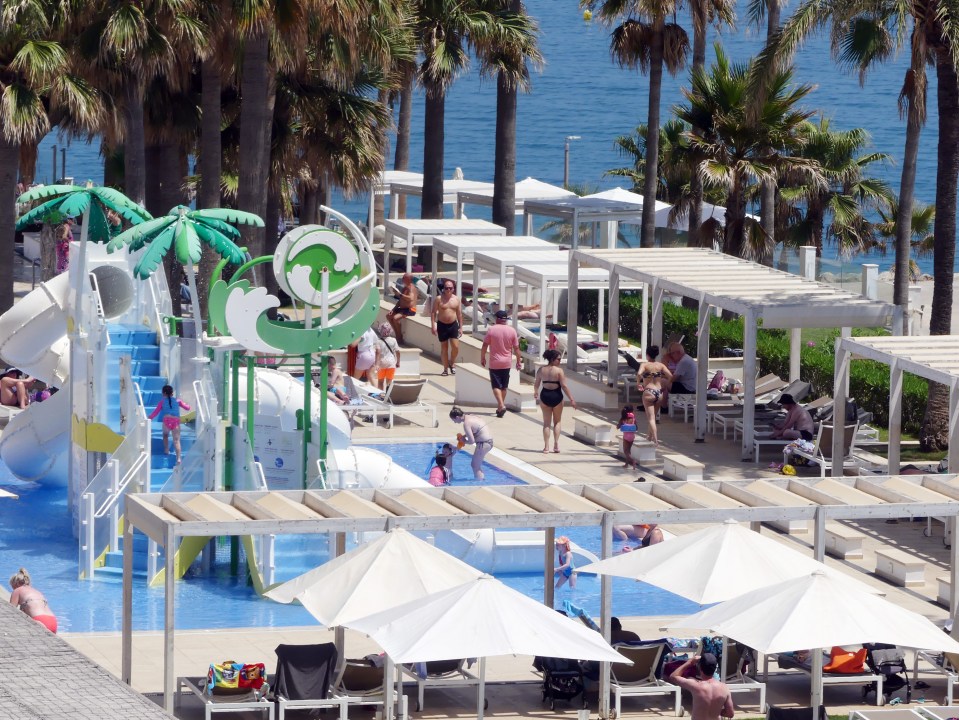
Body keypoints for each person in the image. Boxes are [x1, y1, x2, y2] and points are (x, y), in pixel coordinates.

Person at [480, 309, 522, 418]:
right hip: (506, 363)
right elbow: (517, 348)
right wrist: (518, 361)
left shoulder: (491, 330)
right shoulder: (512, 331)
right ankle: (500, 407)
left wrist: (483, 357)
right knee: (504, 386)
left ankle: (501, 405)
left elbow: (484, 345)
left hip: (495, 362)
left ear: (497, 319)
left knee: (495, 386)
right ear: (506, 320)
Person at [533, 349, 576, 453]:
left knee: (546, 423)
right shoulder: (559, 371)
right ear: (552, 359)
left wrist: (536, 392)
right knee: (557, 422)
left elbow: (536, 384)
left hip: (545, 396)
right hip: (557, 396)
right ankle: (556, 445)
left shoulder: (541, 370)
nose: (560, 361)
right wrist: (571, 399)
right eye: (558, 359)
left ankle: (546, 447)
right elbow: (564, 386)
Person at [669, 653, 734, 720]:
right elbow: (730, 713)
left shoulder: (696, 685)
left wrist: (689, 662)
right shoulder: (724, 688)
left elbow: (673, 676)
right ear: (715, 669)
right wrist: (715, 712)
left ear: (700, 668)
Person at [637, 346, 673, 446]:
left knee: (651, 418)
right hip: (659, 392)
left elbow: (639, 374)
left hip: (649, 391)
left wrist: (638, 383)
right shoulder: (660, 365)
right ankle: (649, 437)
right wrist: (665, 386)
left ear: (647, 354)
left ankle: (656, 440)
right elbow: (670, 376)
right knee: (653, 416)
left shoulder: (644, 365)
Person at [148, 385, 191, 464]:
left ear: (163, 393)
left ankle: (166, 449)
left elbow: (156, 412)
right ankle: (178, 458)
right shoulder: (178, 401)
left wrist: (149, 417)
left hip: (167, 421)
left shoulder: (162, 402)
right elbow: (187, 408)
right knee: (176, 440)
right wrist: (187, 404)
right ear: (172, 393)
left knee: (165, 436)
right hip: (176, 421)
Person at [449, 406, 493, 481]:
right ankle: (480, 480)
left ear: (457, 417)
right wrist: (464, 436)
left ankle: (480, 483)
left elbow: (471, 441)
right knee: (476, 465)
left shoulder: (466, 423)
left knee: (475, 465)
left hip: (483, 443)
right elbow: (476, 429)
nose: (455, 422)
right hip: (488, 442)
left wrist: (463, 441)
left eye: (454, 420)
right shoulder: (471, 416)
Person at [9, 568, 57, 633]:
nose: (13, 589)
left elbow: (11, 612)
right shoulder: (37, 591)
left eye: (12, 586)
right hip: (53, 621)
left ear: (16, 583)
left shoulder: (17, 590)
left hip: (40, 621)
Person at [431, 279, 464, 376]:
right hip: (442, 325)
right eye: (446, 288)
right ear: (443, 289)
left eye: (450, 288)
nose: (448, 290)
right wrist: (433, 325)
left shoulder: (456, 299)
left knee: (455, 347)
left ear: (453, 289)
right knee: (444, 348)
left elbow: (459, 314)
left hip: (453, 325)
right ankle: (445, 369)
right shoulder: (438, 299)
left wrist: (461, 327)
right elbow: (433, 312)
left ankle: (452, 363)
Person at [387, 273, 417, 344]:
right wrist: (393, 309)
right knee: (388, 315)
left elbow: (411, 298)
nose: (402, 279)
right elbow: (400, 301)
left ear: (409, 279)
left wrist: (400, 294)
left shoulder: (412, 288)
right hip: (403, 309)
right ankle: (398, 334)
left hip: (410, 309)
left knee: (395, 318)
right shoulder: (405, 288)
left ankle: (399, 336)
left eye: (404, 278)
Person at [618, 405, 638, 469]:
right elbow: (636, 427)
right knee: (629, 451)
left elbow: (618, 426)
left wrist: (621, 425)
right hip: (632, 436)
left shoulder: (623, 419)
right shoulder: (633, 419)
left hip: (626, 436)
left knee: (625, 451)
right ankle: (626, 464)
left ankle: (633, 461)